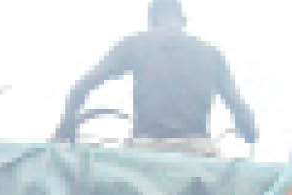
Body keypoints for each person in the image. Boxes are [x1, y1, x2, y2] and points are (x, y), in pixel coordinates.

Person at [52, 0, 258, 151]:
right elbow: (239, 108)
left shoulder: (136, 44)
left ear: (152, 21)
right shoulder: (211, 54)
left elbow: (82, 87)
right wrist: (250, 132)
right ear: (183, 21)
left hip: (145, 151)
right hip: (197, 151)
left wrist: (64, 129)